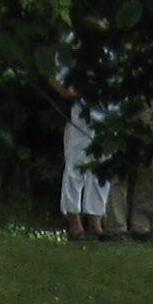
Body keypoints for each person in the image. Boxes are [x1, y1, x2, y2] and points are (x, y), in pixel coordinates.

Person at [64, 96, 117, 242]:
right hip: (83, 112)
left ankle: (96, 224)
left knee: (103, 168)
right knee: (75, 166)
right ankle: (75, 225)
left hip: (112, 112)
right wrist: (72, 94)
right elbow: (56, 77)